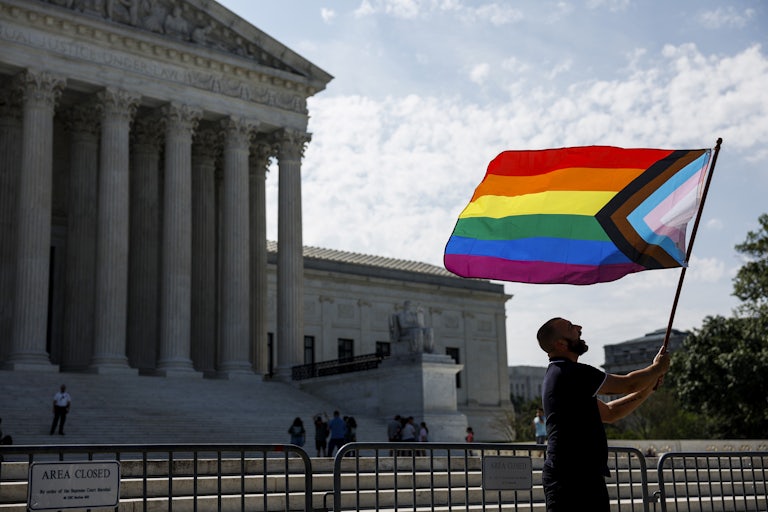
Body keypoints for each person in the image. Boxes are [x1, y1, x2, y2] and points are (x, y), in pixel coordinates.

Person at [537, 317, 670, 512]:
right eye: (570, 327)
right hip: (572, 476)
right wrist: (658, 367)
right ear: (560, 343)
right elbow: (628, 384)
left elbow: (610, 412)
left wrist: (648, 389)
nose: (579, 327)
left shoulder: (560, 374)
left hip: (579, 474)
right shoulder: (571, 372)